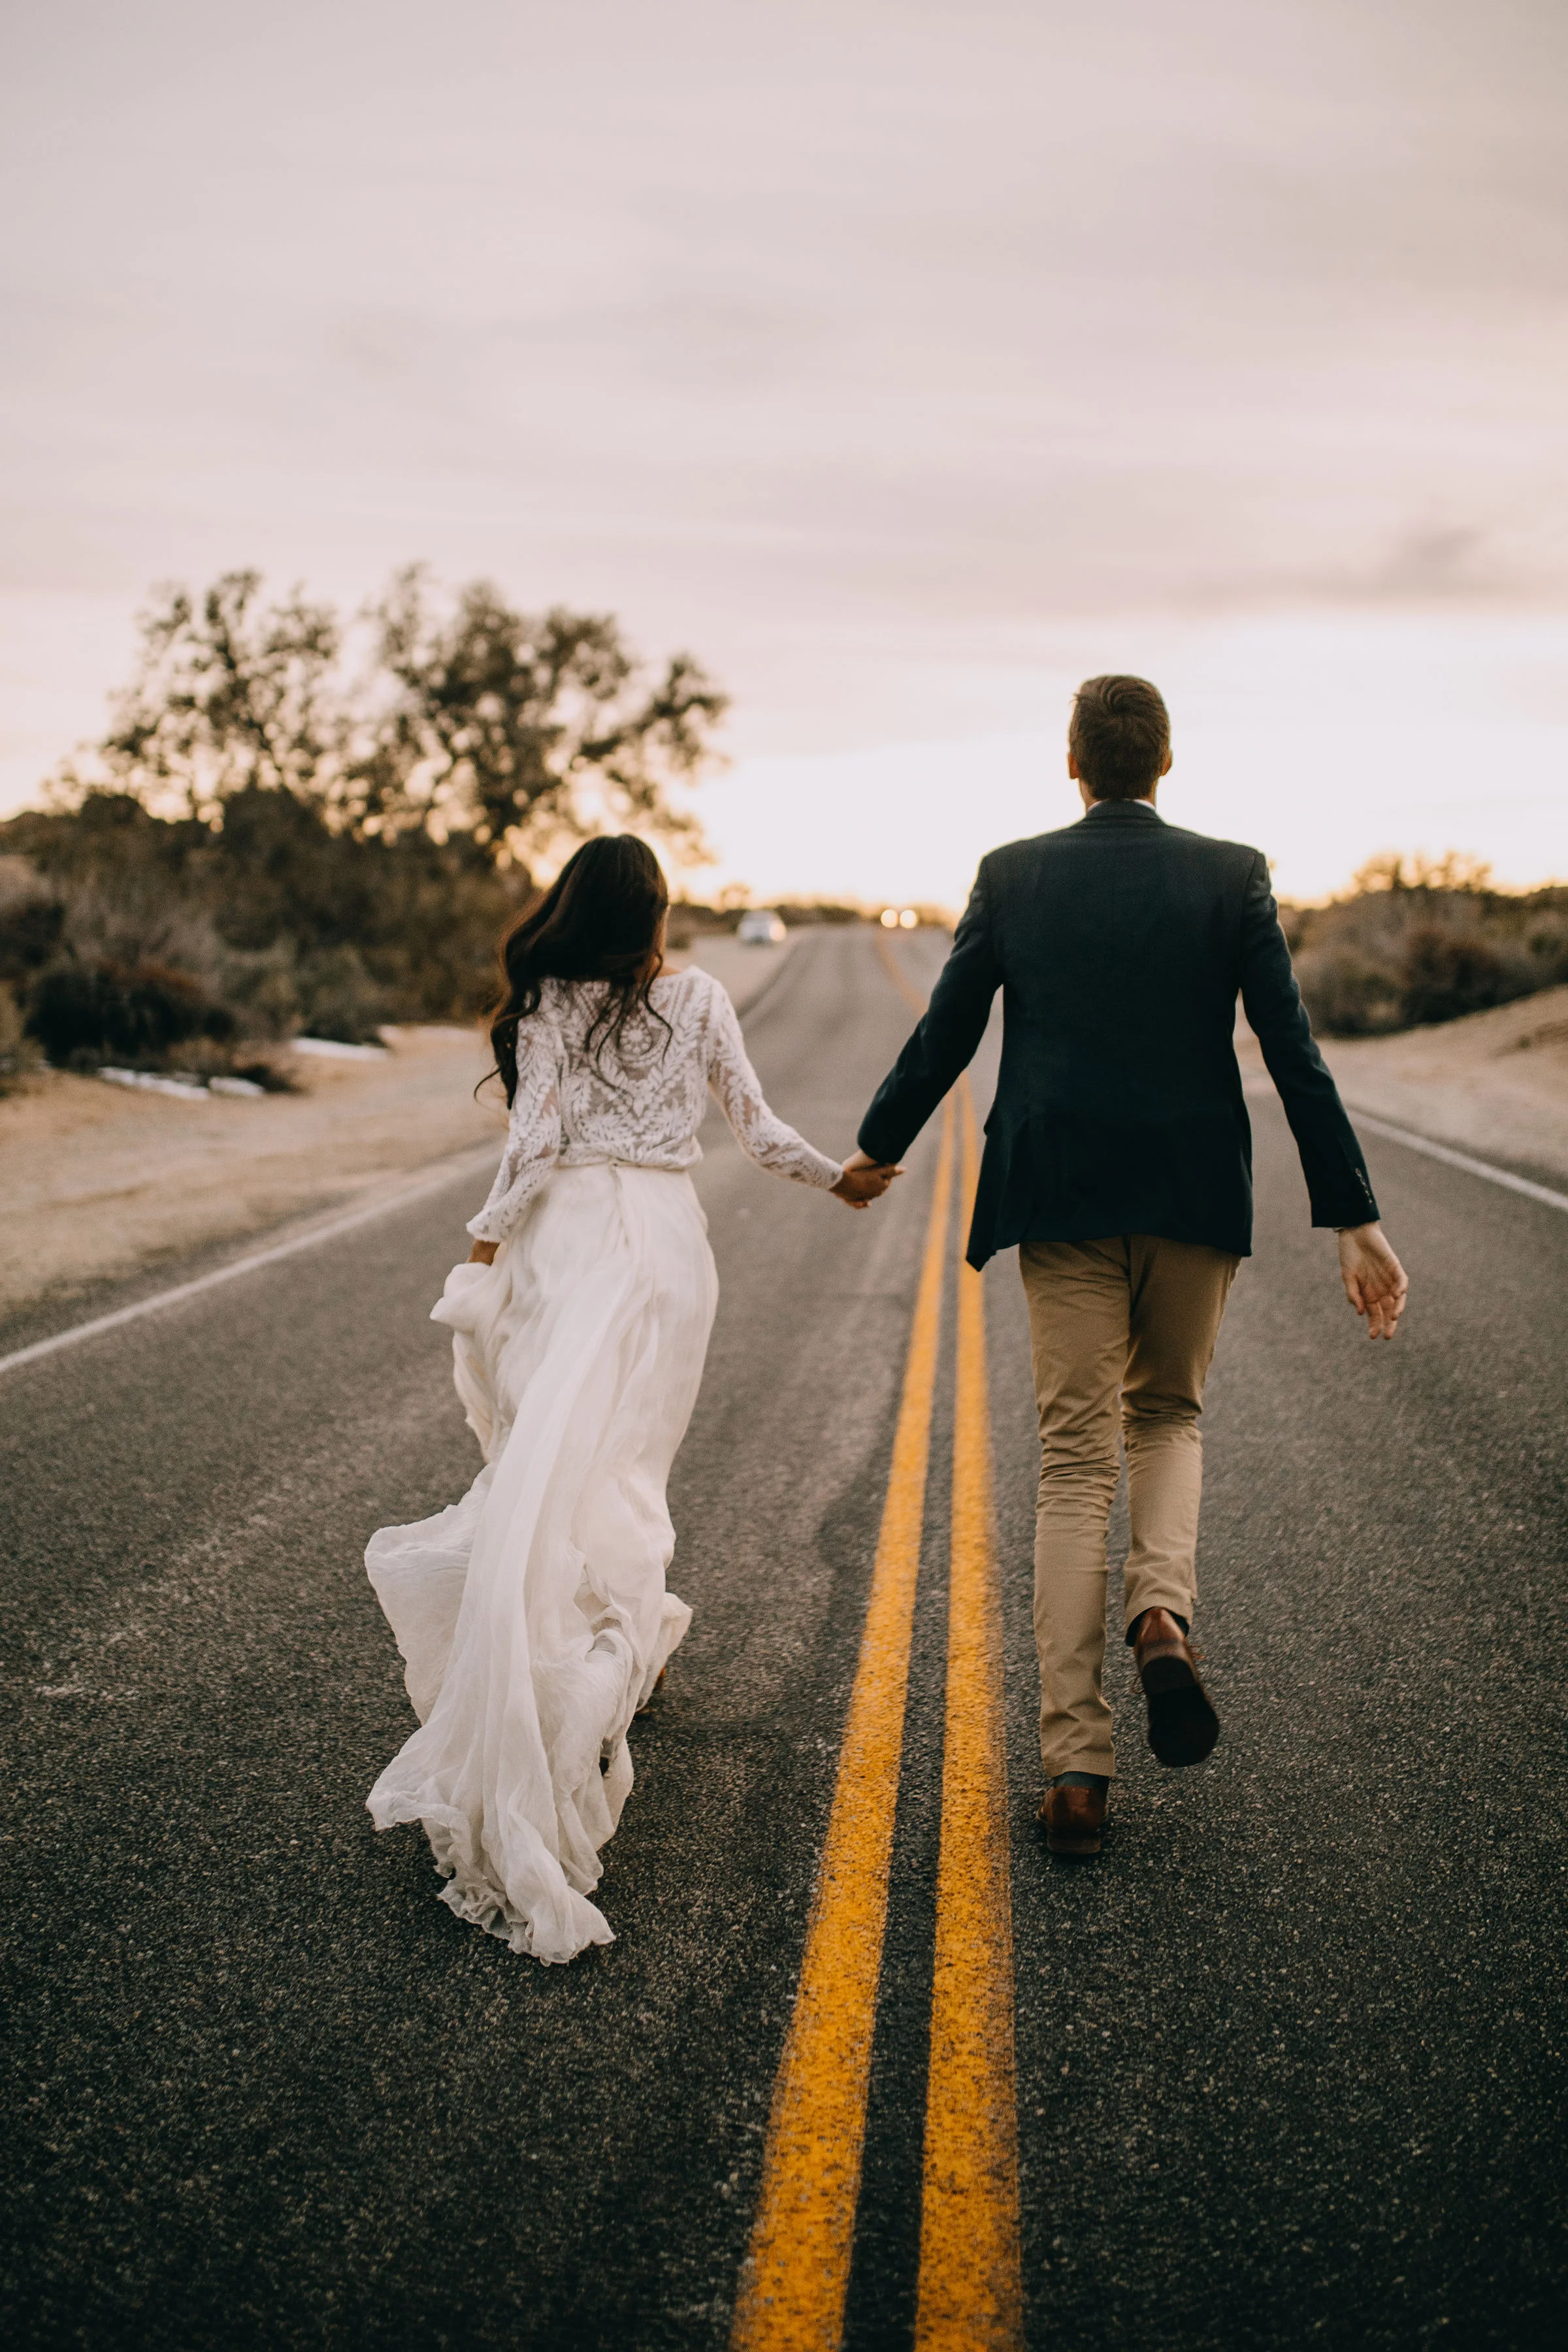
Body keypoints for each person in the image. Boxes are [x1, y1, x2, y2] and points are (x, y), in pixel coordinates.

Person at [845, 676, 1407, 1858]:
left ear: (1072, 764)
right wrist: (1352, 1214)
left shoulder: (1013, 873)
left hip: (1062, 1189)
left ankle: (1076, 1770)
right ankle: (1162, 1611)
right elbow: (1291, 1052)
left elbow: (948, 1027)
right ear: (1166, 764)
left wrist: (875, 1147)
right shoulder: (1232, 872)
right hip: (1194, 1188)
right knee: (1168, 1415)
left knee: (1070, 1458)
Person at [365, 836, 894, 1961]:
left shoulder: (552, 997)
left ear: (574, 907)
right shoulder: (698, 997)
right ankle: (615, 1652)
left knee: (550, 1459)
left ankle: (587, 1658)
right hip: (664, 1250)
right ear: (654, 911)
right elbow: (752, 1128)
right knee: (625, 1466)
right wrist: (836, 1179)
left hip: (571, 1245)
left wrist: (485, 1240)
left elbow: (539, 1136)